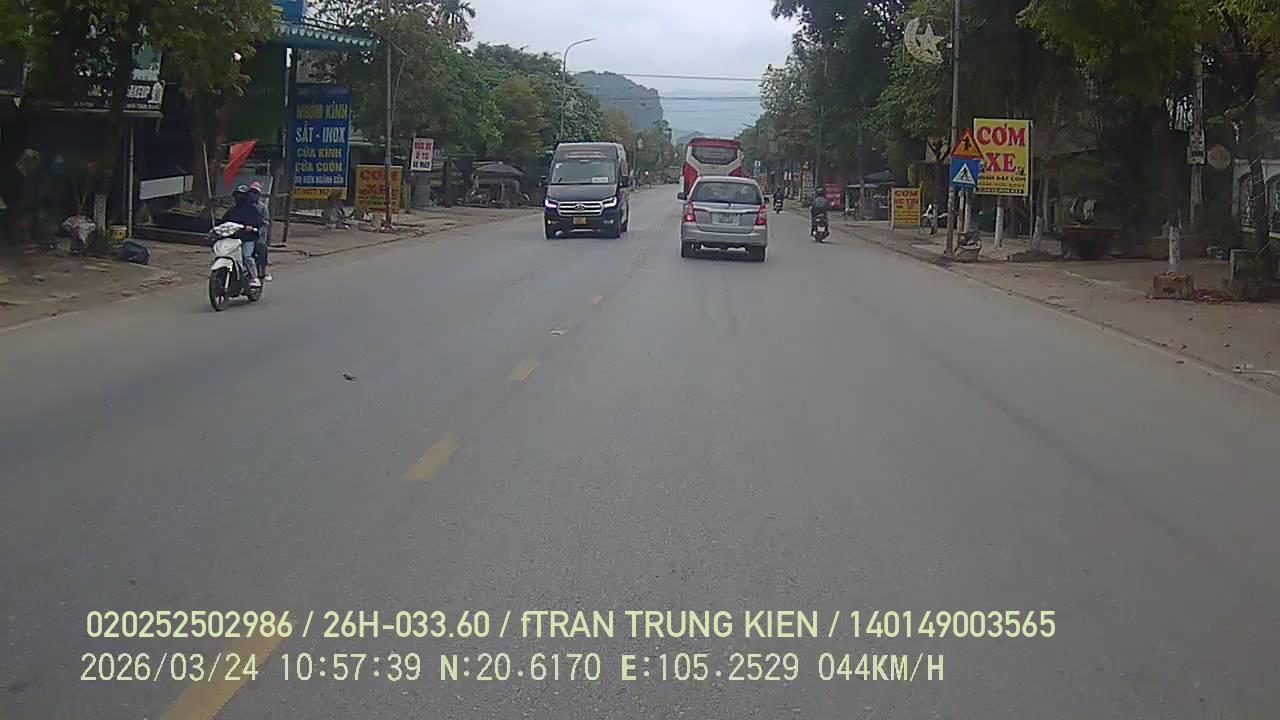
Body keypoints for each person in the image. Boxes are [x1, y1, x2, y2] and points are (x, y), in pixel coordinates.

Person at [221, 184, 264, 287]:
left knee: (246, 256)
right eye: (237, 195)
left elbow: (259, 222)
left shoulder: (253, 210)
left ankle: (254, 278)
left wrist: (251, 226)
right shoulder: (232, 210)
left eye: (241, 195)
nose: (239, 198)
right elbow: (224, 221)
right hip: (233, 238)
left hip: (248, 238)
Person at [247, 181, 271, 282]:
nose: (253, 194)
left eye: (255, 192)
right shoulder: (244, 205)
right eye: (251, 192)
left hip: (257, 232)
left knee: (261, 245)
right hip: (244, 232)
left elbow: (265, 223)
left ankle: (263, 271)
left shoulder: (262, 207)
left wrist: (258, 231)